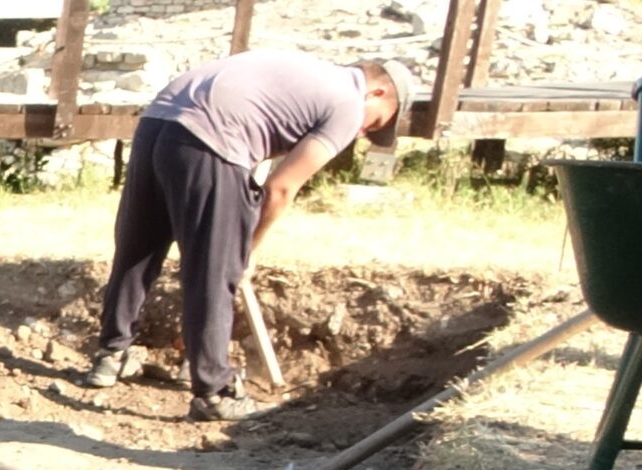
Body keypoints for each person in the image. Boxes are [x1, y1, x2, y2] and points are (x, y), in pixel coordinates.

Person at [82, 51, 415, 420]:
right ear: (379, 92)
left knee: (138, 250)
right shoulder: (348, 104)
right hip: (209, 138)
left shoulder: (306, 72)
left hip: (158, 122)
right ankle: (214, 392)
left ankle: (111, 354)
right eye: (375, 124)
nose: (363, 132)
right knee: (214, 270)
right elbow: (280, 188)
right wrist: (248, 250)